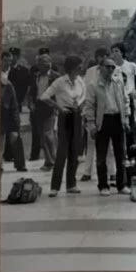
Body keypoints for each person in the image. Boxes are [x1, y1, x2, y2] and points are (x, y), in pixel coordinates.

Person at [40, 55, 86, 197]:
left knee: (74, 151)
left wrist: (80, 106)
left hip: (77, 116)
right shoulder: (59, 82)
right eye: (79, 66)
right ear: (72, 67)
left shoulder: (80, 81)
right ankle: (55, 186)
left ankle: (71, 184)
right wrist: (59, 108)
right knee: (62, 152)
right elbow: (44, 97)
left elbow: (84, 95)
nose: (81, 68)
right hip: (65, 115)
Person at [84, 58, 131, 196]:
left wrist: (126, 119)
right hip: (102, 120)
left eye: (113, 67)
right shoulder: (93, 85)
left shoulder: (118, 82)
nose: (110, 69)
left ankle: (122, 185)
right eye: (108, 67)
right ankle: (103, 185)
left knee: (121, 154)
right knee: (101, 155)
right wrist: (91, 125)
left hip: (117, 118)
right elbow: (90, 106)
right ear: (100, 68)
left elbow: (125, 100)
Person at [81, 47, 115, 182]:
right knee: (90, 144)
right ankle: (87, 171)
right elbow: (85, 92)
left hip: (107, 112)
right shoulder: (90, 72)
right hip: (94, 112)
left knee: (109, 146)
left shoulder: (113, 70)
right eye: (102, 56)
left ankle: (112, 171)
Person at [27, 53, 60, 171]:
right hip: (38, 107)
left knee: (48, 134)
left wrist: (56, 106)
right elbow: (31, 92)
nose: (41, 66)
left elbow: (60, 92)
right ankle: (49, 161)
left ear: (48, 64)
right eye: (39, 64)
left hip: (50, 106)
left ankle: (54, 160)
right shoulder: (36, 76)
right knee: (42, 136)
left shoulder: (56, 77)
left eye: (43, 63)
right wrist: (31, 104)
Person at [111, 42, 136, 148]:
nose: (114, 54)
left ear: (122, 53)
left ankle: (131, 153)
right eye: (112, 52)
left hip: (128, 98)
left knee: (130, 127)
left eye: (116, 51)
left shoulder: (131, 66)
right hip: (115, 99)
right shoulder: (111, 68)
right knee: (117, 128)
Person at [0, 51, 27, 172]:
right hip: (1, 110)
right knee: (0, 140)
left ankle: (20, 164)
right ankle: (0, 162)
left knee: (15, 136)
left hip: (11, 106)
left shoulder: (15, 72)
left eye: (9, 61)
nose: (7, 63)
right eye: (5, 60)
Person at [8, 47, 31, 111]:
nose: (11, 58)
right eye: (10, 56)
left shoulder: (24, 71)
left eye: (14, 56)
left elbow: (26, 87)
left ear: (18, 57)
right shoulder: (3, 69)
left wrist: (21, 99)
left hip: (17, 102)